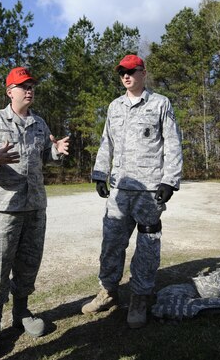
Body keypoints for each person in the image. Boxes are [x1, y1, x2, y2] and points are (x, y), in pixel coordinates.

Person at [0, 67, 69, 360]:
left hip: (35, 206)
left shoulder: (39, 123)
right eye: (23, 86)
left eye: (32, 86)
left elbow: (43, 158)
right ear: (9, 91)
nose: (30, 90)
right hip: (3, 208)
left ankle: (21, 312)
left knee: (28, 264)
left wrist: (57, 152)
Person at [83, 54, 183, 329]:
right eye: (122, 72)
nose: (126, 76)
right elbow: (106, 142)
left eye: (131, 71)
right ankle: (108, 291)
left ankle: (140, 296)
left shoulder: (160, 104)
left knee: (148, 246)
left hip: (149, 189)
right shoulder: (114, 107)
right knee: (111, 243)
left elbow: (173, 142)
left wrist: (169, 180)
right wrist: (100, 174)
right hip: (119, 189)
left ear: (143, 72)